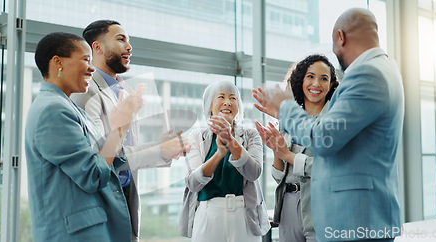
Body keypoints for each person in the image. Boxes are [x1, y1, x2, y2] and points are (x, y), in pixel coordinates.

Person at [253, 8, 404, 242]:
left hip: (356, 220)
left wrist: (284, 106)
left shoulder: (367, 73)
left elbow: (324, 139)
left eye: (324, 77)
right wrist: (279, 147)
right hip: (355, 218)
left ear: (340, 37)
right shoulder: (385, 68)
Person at [70, 20, 191, 241]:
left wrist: (162, 146)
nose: (129, 46)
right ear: (97, 47)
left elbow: (128, 154)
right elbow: (102, 158)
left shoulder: (125, 93)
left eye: (129, 40)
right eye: (121, 39)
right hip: (100, 204)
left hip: (126, 200)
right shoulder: (84, 93)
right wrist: (160, 149)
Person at [25, 32, 143, 241]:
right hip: (74, 234)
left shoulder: (68, 106)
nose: (92, 68)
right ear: (58, 62)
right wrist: (119, 127)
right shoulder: (52, 110)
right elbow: (92, 175)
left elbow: (107, 158)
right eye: (86, 60)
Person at [255, 54, 338, 242]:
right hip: (288, 203)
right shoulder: (289, 120)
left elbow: (330, 168)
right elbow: (279, 176)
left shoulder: (334, 122)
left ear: (331, 85)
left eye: (324, 78)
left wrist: (288, 155)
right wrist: (278, 151)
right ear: (301, 80)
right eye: (310, 76)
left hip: (320, 202)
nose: (316, 83)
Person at [179, 80, 270, 242]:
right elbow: (193, 183)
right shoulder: (197, 137)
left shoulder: (251, 135)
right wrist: (219, 154)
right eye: (221, 97)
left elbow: (254, 172)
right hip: (208, 215)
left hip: (244, 214)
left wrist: (230, 141)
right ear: (209, 106)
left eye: (233, 98)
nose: (228, 102)